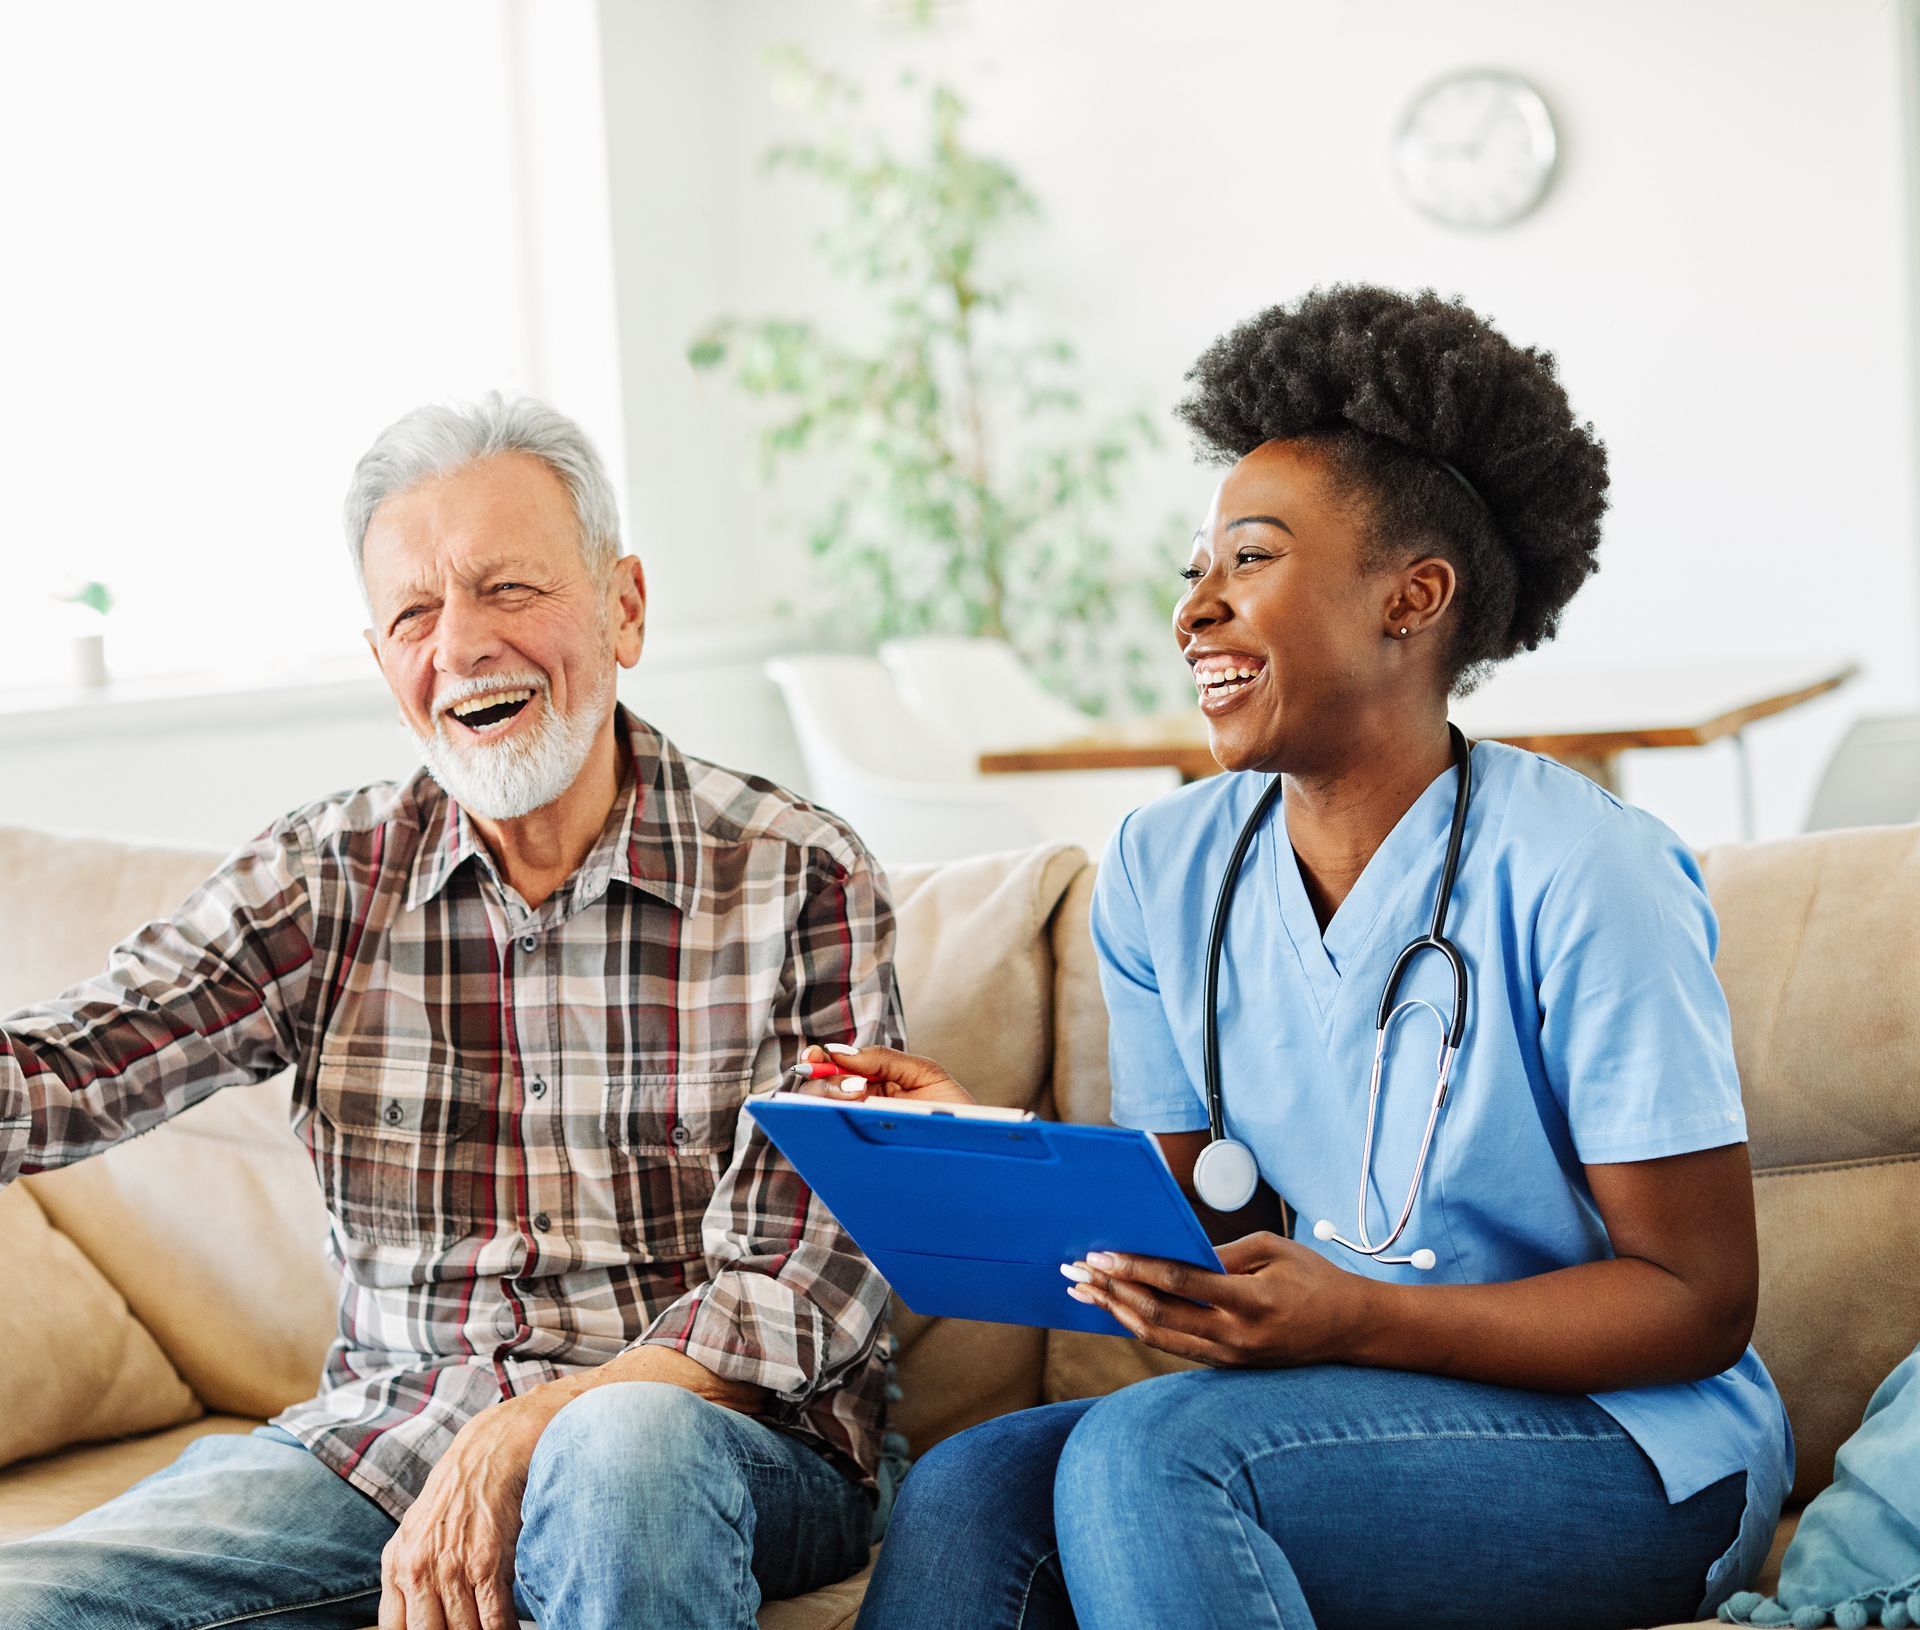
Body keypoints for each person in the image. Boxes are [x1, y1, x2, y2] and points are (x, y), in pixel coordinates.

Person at [818, 286, 1792, 1630]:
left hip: (1632, 1445)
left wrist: (1358, 1319)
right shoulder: (1165, 867)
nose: (1195, 612)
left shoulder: (1586, 871)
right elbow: (1193, 1230)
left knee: (1152, 1451)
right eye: (1194, 574)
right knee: (972, 1487)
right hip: (1338, 1409)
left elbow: (1697, 1302)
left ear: (1414, 595)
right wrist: (979, 1150)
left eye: (1251, 561)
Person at [0, 395, 903, 1630]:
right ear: (382, 659)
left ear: (623, 606)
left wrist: (542, 1421)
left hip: (712, 1439)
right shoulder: (326, 877)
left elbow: (809, 1279)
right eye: (416, 613)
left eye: (509, 590)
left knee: (620, 1452)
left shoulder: (800, 876)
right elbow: (66, 1066)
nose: (462, 645)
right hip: (393, 1443)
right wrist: (477, 1438)